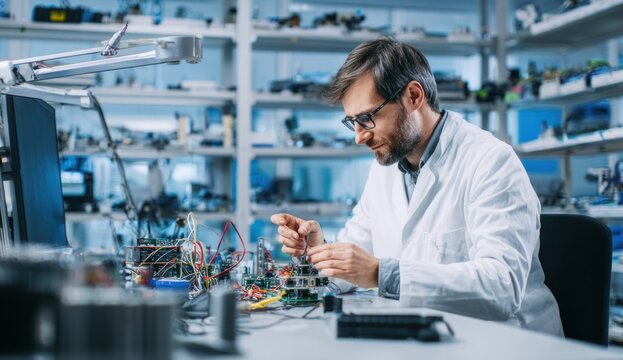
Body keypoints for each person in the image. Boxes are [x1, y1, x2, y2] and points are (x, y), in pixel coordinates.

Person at [270, 37, 563, 336]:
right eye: (352, 122)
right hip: (427, 337)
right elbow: (357, 260)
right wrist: (320, 252)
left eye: (367, 118)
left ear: (413, 96)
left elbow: (502, 288)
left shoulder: (490, 161)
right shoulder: (385, 166)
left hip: (507, 343)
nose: (359, 137)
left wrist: (382, 274)